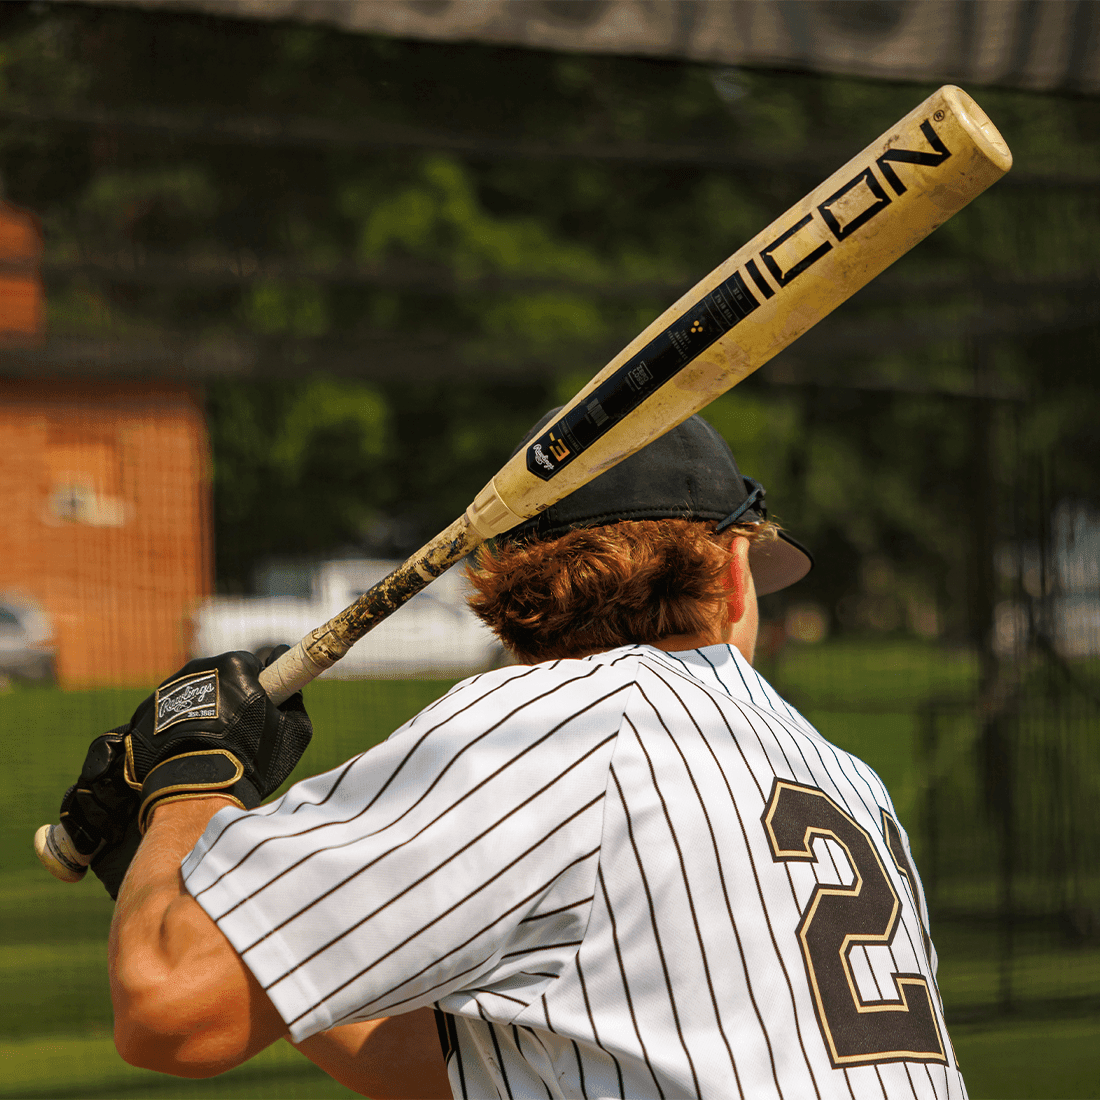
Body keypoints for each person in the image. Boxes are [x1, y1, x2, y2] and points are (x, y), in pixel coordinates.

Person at [66, 410, 966, 1099]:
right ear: (732, 573)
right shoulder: (840, 775)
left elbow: (169, 1010)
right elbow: (472, 1067)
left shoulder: (555, 732)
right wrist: (212, 895)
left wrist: (192, 780)